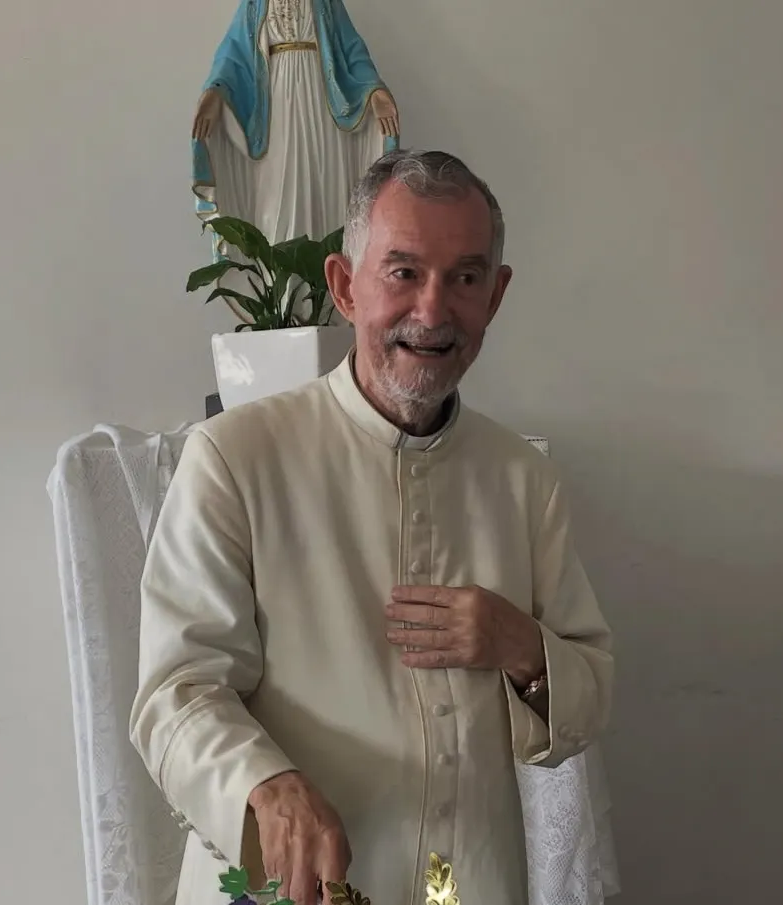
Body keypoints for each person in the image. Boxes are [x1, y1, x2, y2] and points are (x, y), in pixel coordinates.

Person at [131, 149, 614, 905]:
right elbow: (177, 693)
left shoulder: (523, 480)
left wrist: (520, 645)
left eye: (465, 277)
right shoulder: (235, 457)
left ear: (496, 295)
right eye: (403, 271)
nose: (433, 310)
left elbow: (590, 694)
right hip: (289, 889)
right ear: (344, 286)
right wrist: (267, 784)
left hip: (460, 886)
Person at [191, 0, 400, 265]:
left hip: (321, 106)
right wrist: (215, 93)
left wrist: (374, 91)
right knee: (277, 189)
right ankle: (278, 291)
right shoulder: (255, 5)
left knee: (323, 184)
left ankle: (325, 291)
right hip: (275, 107)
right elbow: (232, 57)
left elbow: (352, 51)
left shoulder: (326, 3)